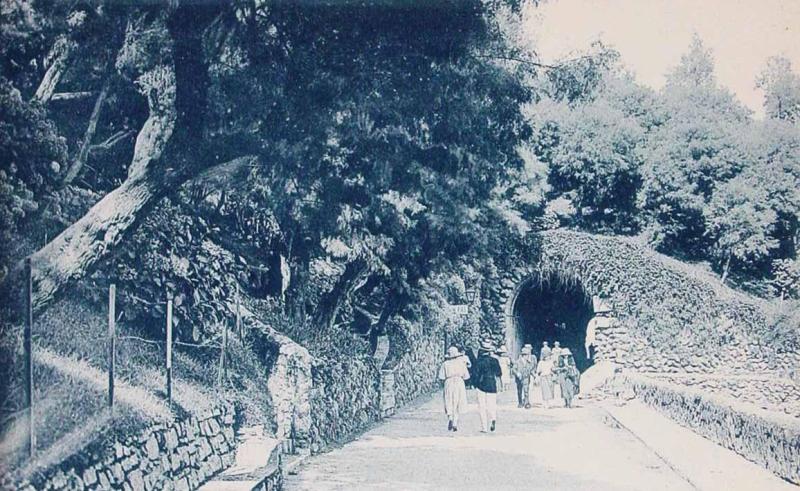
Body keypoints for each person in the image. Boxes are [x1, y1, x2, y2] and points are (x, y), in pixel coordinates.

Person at [438, 346, 470, 431]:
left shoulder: (445, 364)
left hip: (449, 382)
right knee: (457, 401)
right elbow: (466, 376)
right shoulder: (461, 363)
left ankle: (450, 418)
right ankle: (455, 423)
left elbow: (441, 376)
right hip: (459, 382)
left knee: (449, 400)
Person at [473, 341, 502, 432]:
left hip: (481, 385)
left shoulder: (479, 362)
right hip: (492, 384)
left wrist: (475, 384)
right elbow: (499, 373)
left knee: (482, 406)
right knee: (492, 404)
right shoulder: (495, 360)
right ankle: (493, 418)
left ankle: (484, 428)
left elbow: (475, 374)